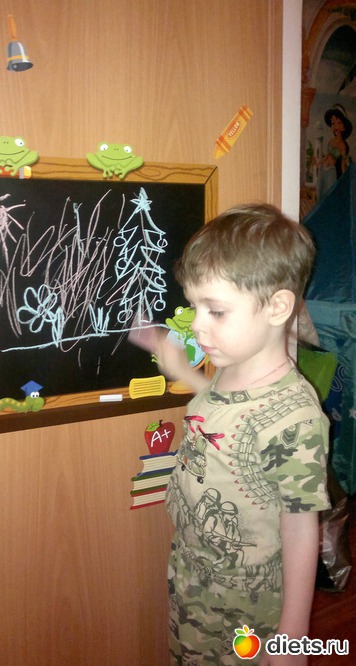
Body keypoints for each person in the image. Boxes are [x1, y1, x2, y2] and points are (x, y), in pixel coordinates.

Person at [154, 204, 330, 665]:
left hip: (246, 610)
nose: (197, 324)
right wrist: (182, 373)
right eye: (195, 307)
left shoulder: (294, 418)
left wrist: (292, 637)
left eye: (216, 311)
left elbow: (300, 528)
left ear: (277, 307)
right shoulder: (232, 369)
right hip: (193, 580)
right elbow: (229, 413)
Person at [317, 104, 352, 199]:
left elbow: (343, 163)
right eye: (333, 122)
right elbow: (328, 154)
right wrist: (320, 161)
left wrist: (344, 179)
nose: (335, 125)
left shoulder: (342, 145)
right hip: (323, 169)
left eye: (339, 122)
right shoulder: (331, 141)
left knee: (329, 192)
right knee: (320, 190)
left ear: (343, 127)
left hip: (331, 171)